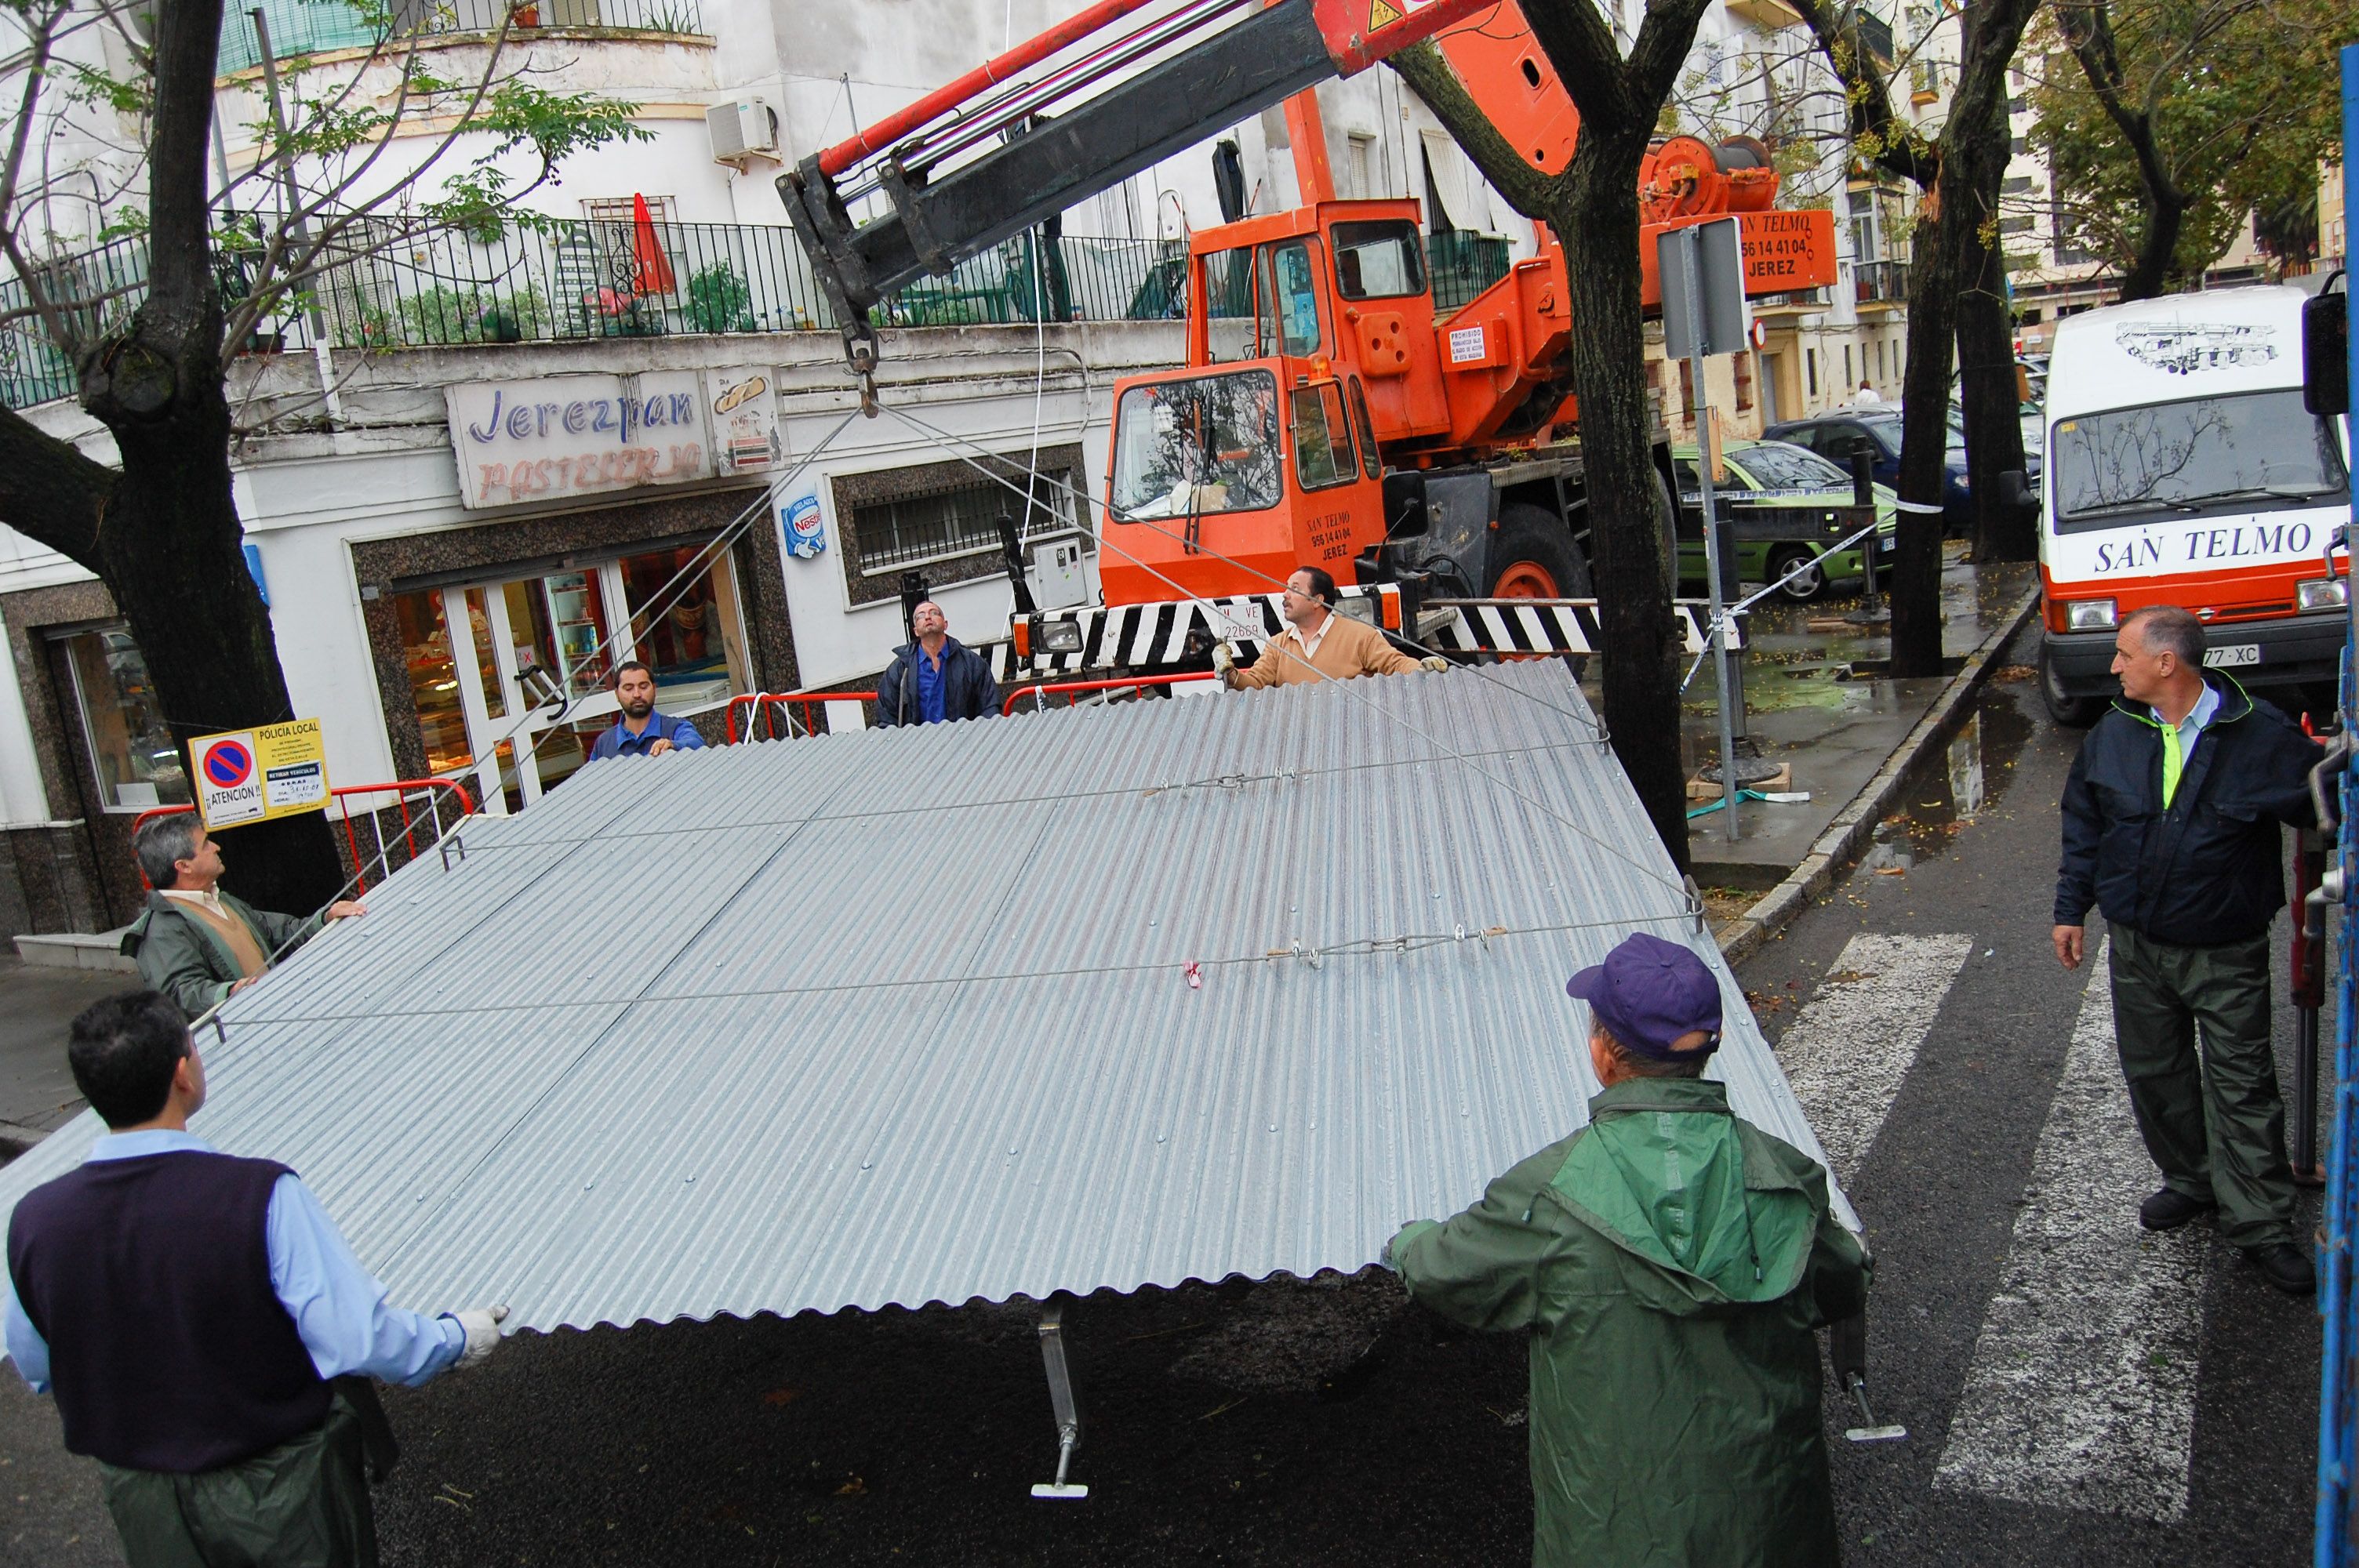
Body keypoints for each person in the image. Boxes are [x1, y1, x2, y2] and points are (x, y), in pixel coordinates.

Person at [1387, 931, 1867, 1567]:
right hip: (1769, 1530)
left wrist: (1407, 1240)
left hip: (1610, 1536)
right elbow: (1842, 1280)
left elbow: (1446, 1270)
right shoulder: (1786, 1177)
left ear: (1603, 1055)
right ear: (1710, 1046)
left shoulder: (1548, 1195)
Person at [4, 990, 509, 1567]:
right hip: (280, 1498)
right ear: (183, 1075)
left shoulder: (36, 1220)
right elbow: (358, 1339)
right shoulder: (259, 1196)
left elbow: (40, 1368)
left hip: (146, 1503)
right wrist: (455, 1338)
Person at [2053, 603, 2324, 1294]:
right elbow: (2085, 823)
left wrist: (2333, 772)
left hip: (2222, 948)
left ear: (2166, 663)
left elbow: (2323, 805)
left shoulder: (2258, 735)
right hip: (2138, 946)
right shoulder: (2115, 733)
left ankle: (2261, 1224)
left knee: (2242, 1086)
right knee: (2155, 1074)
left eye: (2124, 654)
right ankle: (2193, 1180)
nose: (2114, 666)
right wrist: (2070, 910)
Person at [123, 815, 365, 1021]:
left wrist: (325, 917)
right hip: (239, 1045)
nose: (216, 847)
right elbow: (180, 994)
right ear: (184, 866)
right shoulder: (162, 928)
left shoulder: (221, 899)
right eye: (206, 844)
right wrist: (229, 992)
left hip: (269, 1021)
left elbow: (281, 931)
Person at [1217, 566, 1446, 688]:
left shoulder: (1360, 636)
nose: (1285, 595)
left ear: (1317, 600)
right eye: (1286, 588)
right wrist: (1230, 672)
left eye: (1294, 589)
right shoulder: (1277, 645)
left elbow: (1394, 663)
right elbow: (1255, 683)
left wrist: (1421, 669)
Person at [876, 600, 1001, 726]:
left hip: (964, 741)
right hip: (918, 743)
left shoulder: (972, 663)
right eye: (920, 616)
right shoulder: (900, 669)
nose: (927, 617)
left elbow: (989, 707)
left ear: (945, 624)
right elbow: (887, 717)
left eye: (934, 613)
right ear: (915, 631)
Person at [587, 659, 708, 760]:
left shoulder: (676, 728)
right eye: (628, 688)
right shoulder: (604, 742)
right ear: (617, 695)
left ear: (654, 689)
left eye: (643, 687)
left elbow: (697, 744)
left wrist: (673, 745)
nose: (637, 694)